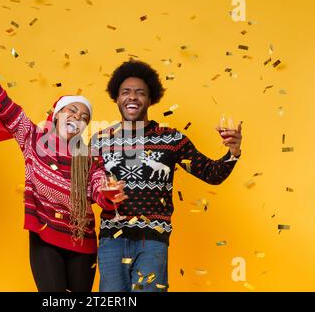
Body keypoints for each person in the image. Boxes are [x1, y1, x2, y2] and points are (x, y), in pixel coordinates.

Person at [0, 47, 128, 292]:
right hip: (45, 235)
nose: (77, 118)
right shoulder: (32, 137)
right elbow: (5, 105)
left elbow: (98, 187)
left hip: (82, 242)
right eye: (72, 111)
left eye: (83, 117)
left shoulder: (89, 156)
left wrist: (108, 196)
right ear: (57, 115)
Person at [92, 60, 243, 292]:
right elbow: (86, 189)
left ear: (151, 98)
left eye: (140, 92)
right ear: (116, 98)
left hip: (153, 240)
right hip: (111, 240)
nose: (132, 97)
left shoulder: (172, 140)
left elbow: (211, 174)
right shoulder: (99, 141)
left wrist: (232, 152)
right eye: (126, 92)